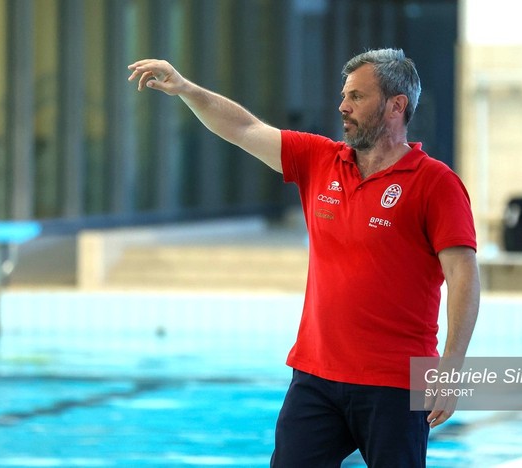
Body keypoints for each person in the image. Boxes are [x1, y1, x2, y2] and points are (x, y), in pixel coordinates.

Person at [128, 48, 480, 467]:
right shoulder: (319, 160)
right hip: (316, 378)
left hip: (395, 383)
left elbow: (462, 274)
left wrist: (452, 367)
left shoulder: (435, 183)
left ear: (396, 105)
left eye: (356, 97)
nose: (342, 106)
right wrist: (185, 89)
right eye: (344, 95)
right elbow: (243, 128)